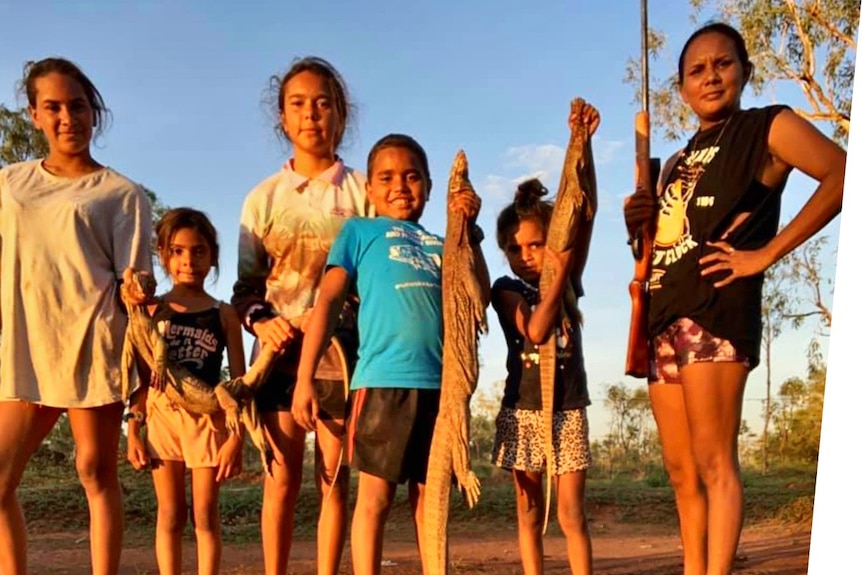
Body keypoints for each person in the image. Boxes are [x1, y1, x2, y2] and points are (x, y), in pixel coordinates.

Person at [623, 22, 845, 575]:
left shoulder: (767, 127)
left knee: (715, 460)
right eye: (697, 70)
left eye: (723, 63)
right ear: (681, 89)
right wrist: (638, 221)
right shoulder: (673, 162)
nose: (711, 76)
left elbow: (841, 172)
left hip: (717, 311)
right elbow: (661, 244)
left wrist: (766, 252)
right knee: (680, 470)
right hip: (663, 317)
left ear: (745, 70)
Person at [291, 133, 490, 575]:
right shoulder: (360, 232)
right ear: (370, 190)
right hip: (382, 382)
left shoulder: (443, 243)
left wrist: (469, 232)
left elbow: (481, 295)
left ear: (429, 186)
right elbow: (327, 301)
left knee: (430, 504)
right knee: (375, 501)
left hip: (442, 389)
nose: (400, 185)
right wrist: (304, 378)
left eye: (412, 176)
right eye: (387, 177)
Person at [0, 57, 154, 575]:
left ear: (95, 112)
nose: (68, 117)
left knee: (94, 471)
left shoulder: (122, 194)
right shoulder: (9, 185)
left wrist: (142, 290)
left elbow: (136, 283)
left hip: (92, 344)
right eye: (54, 107)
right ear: (35, 115)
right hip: (25, 347)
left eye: (79, 105)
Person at [230, 55, 372, 575]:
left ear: (341, 115)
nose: (311, 114)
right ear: (283, 119)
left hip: (342, 353)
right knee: (281, 480)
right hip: (277, 355)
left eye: (322, 104)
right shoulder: (263, 199)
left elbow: (375, 274)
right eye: (298, 104)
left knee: (333, 479)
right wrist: (262, 320)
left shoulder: (363, 192)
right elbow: (244, 288)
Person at [490, 102, 600, 575]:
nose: (526, 255)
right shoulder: (507, 289)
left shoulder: (566, 279)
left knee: (570, 513)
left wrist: (584, 147)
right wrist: (560, 270)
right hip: (524, 409)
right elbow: (534, 329)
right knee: (529, 512)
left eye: (536, 245)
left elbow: (585, 213)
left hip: (568, 407)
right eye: (514, 248)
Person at [125, 207, 246, 575]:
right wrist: (133, 427)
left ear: (212, 256)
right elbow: (141, 376)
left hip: (208, 419)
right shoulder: (153, 310)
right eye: (177, 251)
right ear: (163, 255)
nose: (188, 260)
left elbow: (239, 383)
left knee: (205, 516)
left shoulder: (223, 314)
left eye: (198, 251)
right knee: (171, 514)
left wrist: (236, 438)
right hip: (162, 416)